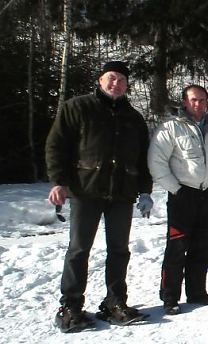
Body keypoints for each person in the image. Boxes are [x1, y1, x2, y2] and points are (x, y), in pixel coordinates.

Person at [45, 61, 153, 332]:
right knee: (79, 250)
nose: (116, 84)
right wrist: (59, 181)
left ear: (127, 86)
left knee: (119, 250)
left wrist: (145, 190)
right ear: (100, 80)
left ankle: (114, 303)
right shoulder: (78, 107)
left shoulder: (133, 117)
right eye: (111, 78)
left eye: (122, 80)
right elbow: (56, 145)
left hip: (122, 193)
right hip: (86, 190)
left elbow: (142, 158)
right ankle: (70, 306)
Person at [148, 85, 208, 315]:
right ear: (184, 102)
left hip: (207, 194)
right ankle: (170, 296)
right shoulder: (171, 127)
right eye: (193, 100)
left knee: (203, 245)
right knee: (177, 246)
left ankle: (197, 291)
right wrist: (175, 189)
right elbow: (156, 162)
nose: (198, 104)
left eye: (202, 100)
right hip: (183, 194)